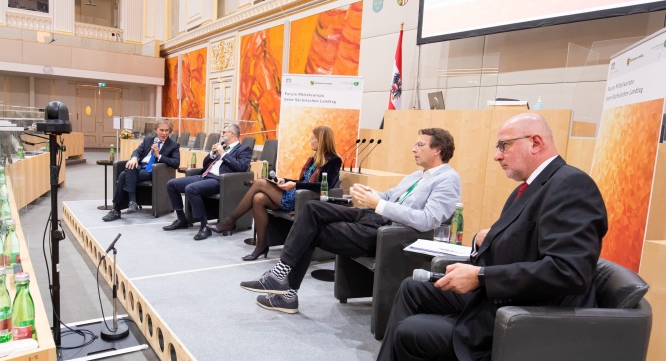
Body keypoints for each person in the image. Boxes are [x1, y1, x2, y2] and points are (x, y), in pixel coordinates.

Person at [318, 113, 608, 361]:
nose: (497, 155)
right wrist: (483, 246)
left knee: (410, 328)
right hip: (505, 295)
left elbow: (568, 271)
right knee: (413, 289)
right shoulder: (529, 189)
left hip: (525, 317)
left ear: (536, 142)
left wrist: (482, 276)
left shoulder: (571, 186)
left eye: (504, 146)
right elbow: (525, 246)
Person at [240, 128, 461, 314]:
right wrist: (371, 193)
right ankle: (281, 280)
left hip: (390, 234)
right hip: (374, 216)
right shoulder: (416, 175)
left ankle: (285, 290)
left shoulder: (447, 180)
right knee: (312, 210)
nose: (414, 149)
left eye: (420, 145)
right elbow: (390, 196)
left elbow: (428, 220)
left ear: (437, 150)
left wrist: (379, 204)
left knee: (310, 230)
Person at [210, 126, 342, 261]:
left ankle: (230, 221)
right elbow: (303, 180)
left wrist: (295, 185)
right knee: (258, 198)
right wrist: (285, 180)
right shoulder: (314, 158)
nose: (310, 141)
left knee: (260, 182)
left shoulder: (334, 160)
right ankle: (261, 245)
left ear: (321, 140)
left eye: (313, 138)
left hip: (303, 199)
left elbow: (325, 186)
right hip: (297, 192)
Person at [163, 123, 252, 241]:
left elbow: (242, 167)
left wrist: (223, 154)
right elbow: (205, 164)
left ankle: (205, 226)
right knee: (172, 184)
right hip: (205, 176)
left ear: (232, 134)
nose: (222, 135)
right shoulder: (223, 147)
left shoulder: (244, 149)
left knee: (191, 189)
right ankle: (181, 219)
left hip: (221, 180)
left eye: (224, 132)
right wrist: (212, 153)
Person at [102, 120, 180, 221]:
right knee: (130, 167)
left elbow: (176, 163)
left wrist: (158, 155)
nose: (164, 133)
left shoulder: (173, 145)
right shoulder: (148, 140)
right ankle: (130, 203)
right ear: (156, 130)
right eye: (161, 130)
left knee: (123, 175)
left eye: (167, 131)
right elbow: (137, 151)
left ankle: (117, 209)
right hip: (140, 167)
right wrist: (134, 158)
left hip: (153, 171)